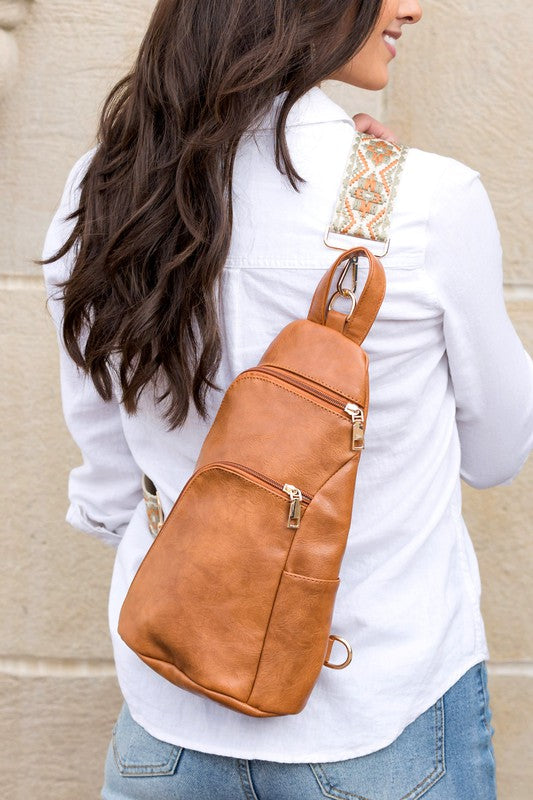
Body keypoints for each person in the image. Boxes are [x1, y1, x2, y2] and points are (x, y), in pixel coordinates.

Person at [40, 1, 533, 798]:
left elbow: (107, 474)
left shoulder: (105, 186)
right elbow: (497, 454)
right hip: (375, 714)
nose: (411, 7)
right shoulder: (425, 201)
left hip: (168, 714)